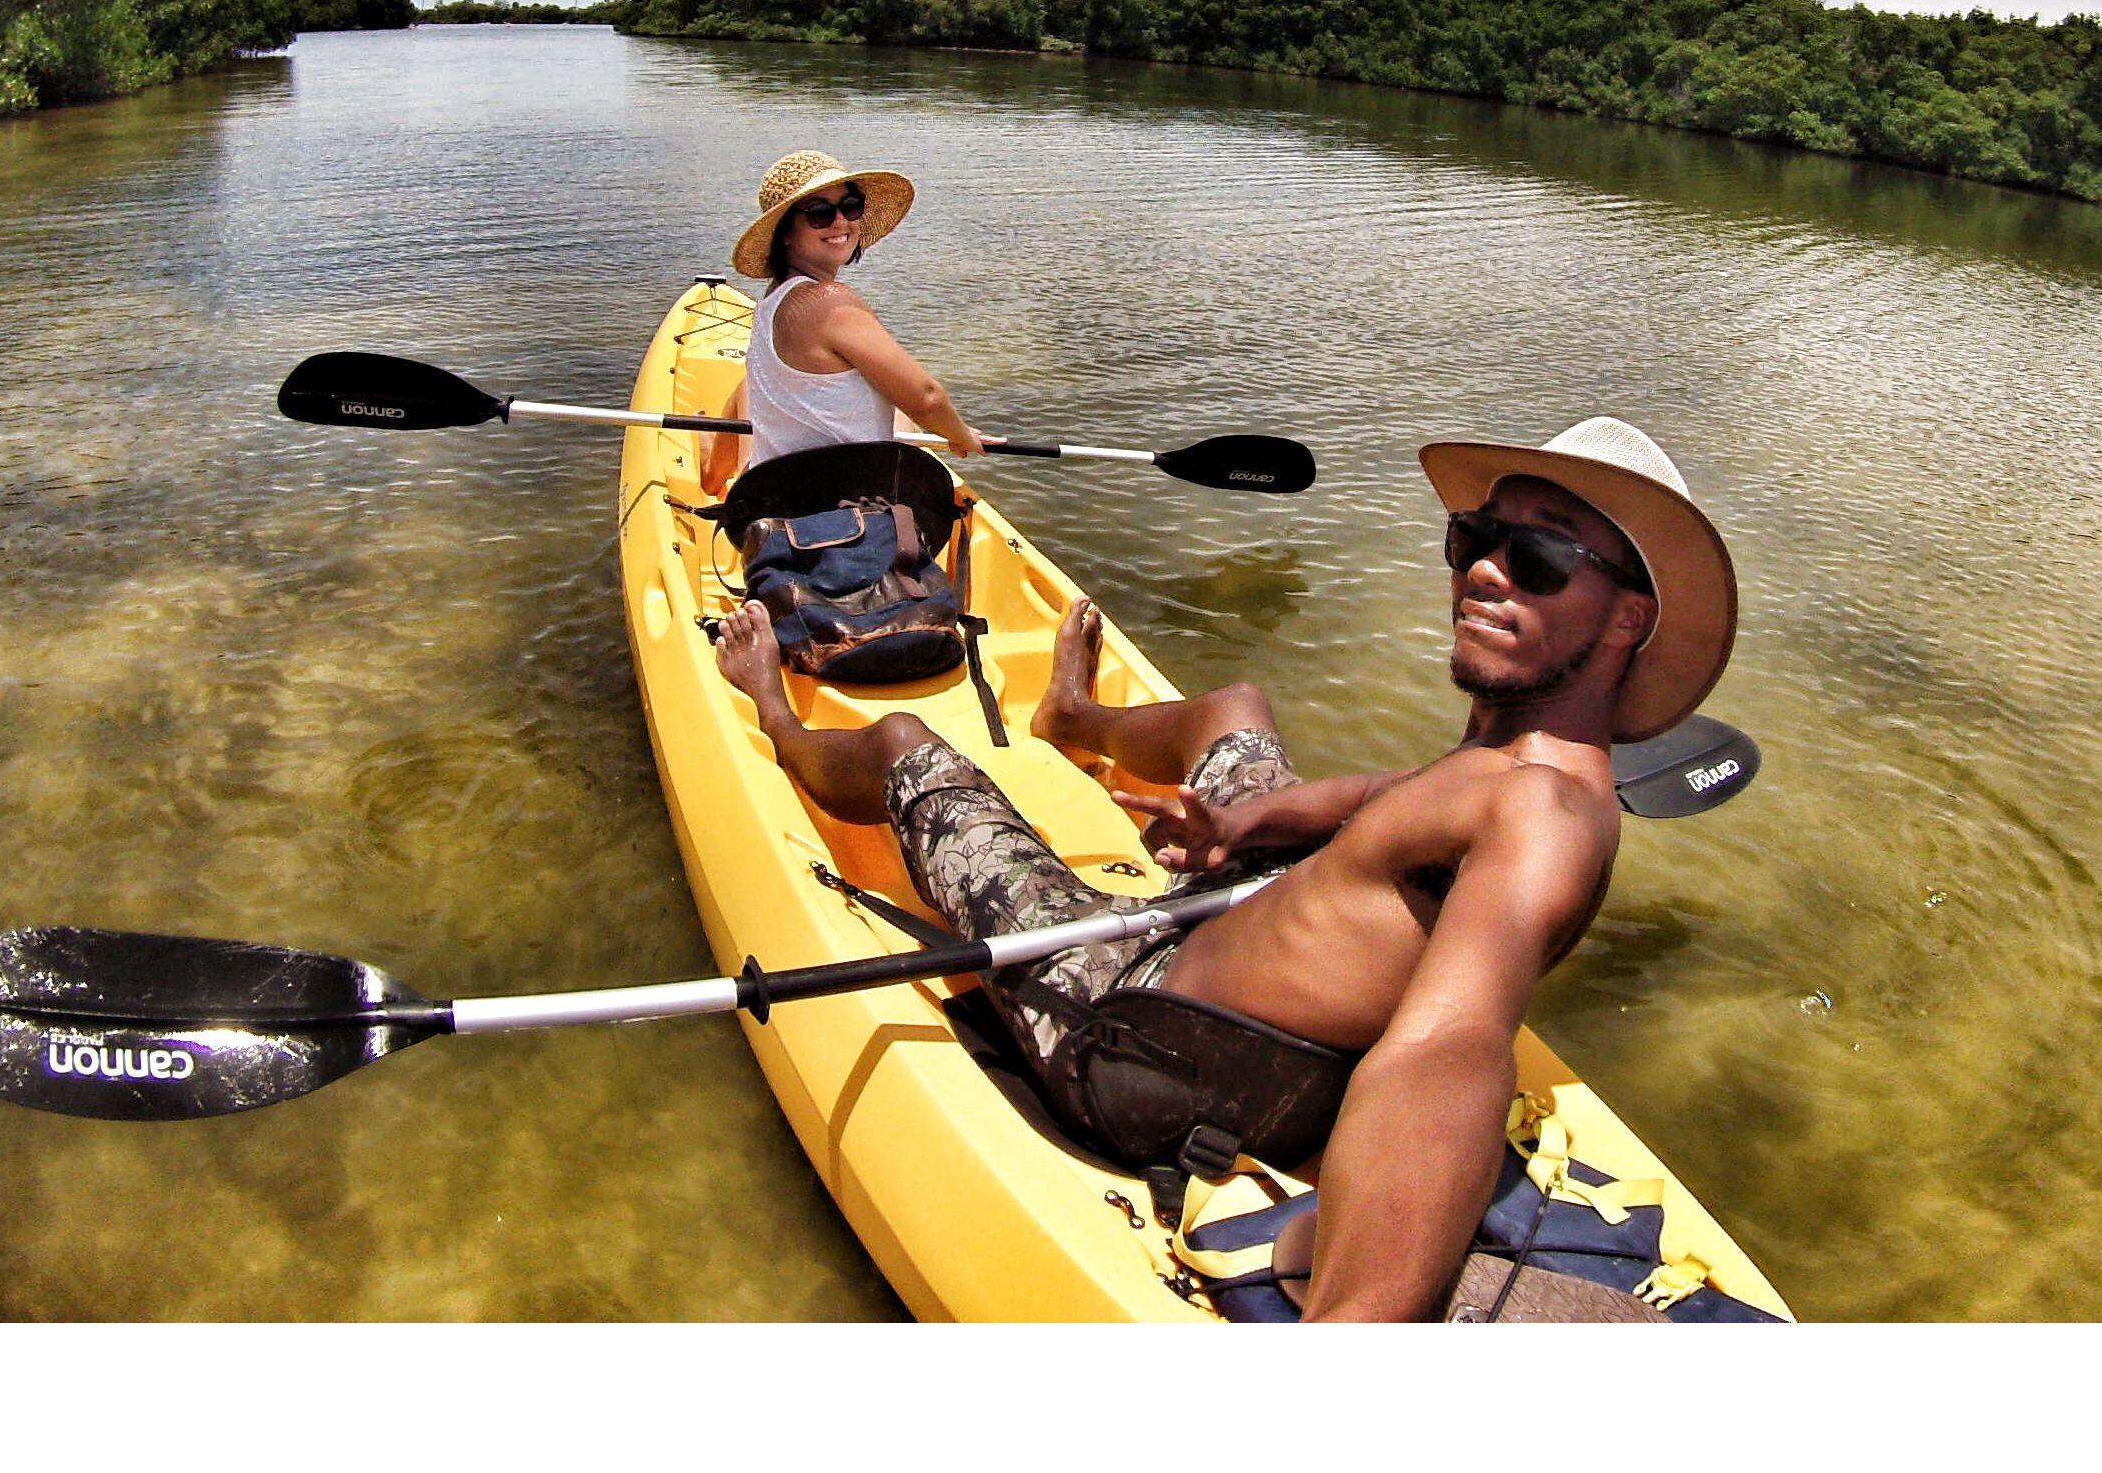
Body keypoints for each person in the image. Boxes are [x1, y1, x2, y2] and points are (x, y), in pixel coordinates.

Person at [712, 413, 1737, 1321]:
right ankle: (1075, 717)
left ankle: (774, 711)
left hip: (1134, 1035)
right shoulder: (1511, 765)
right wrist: (1244, 830)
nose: (1482, 573)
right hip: (1221, 931)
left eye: (1541, 561)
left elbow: (1450, 1050)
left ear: (1628, 619)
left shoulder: (1547, 815)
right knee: (1238, 707)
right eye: (1475, 541)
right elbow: (1384, 798)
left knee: (901, 745)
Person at [713, 150, 986, 480]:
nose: (840, 221)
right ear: (785, 233)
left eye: (850, 206)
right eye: (819, 213)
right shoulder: (828, 302)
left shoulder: (775, 296)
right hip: (840, 507)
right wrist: (961, 435)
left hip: (783, 496)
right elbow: (926, 398)